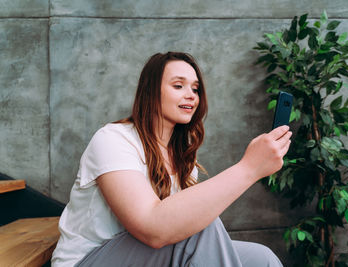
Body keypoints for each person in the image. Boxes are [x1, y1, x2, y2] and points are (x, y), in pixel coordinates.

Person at [51, 52, 292, 267]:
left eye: (195, 89)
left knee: (262, 258)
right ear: (151, 91)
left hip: (145, 256)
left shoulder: (183, 156)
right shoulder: (112, 139)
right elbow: (153, 228)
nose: (191, 96)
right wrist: (249, 168)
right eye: (178, 86)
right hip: (89, 260)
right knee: (197, 228)